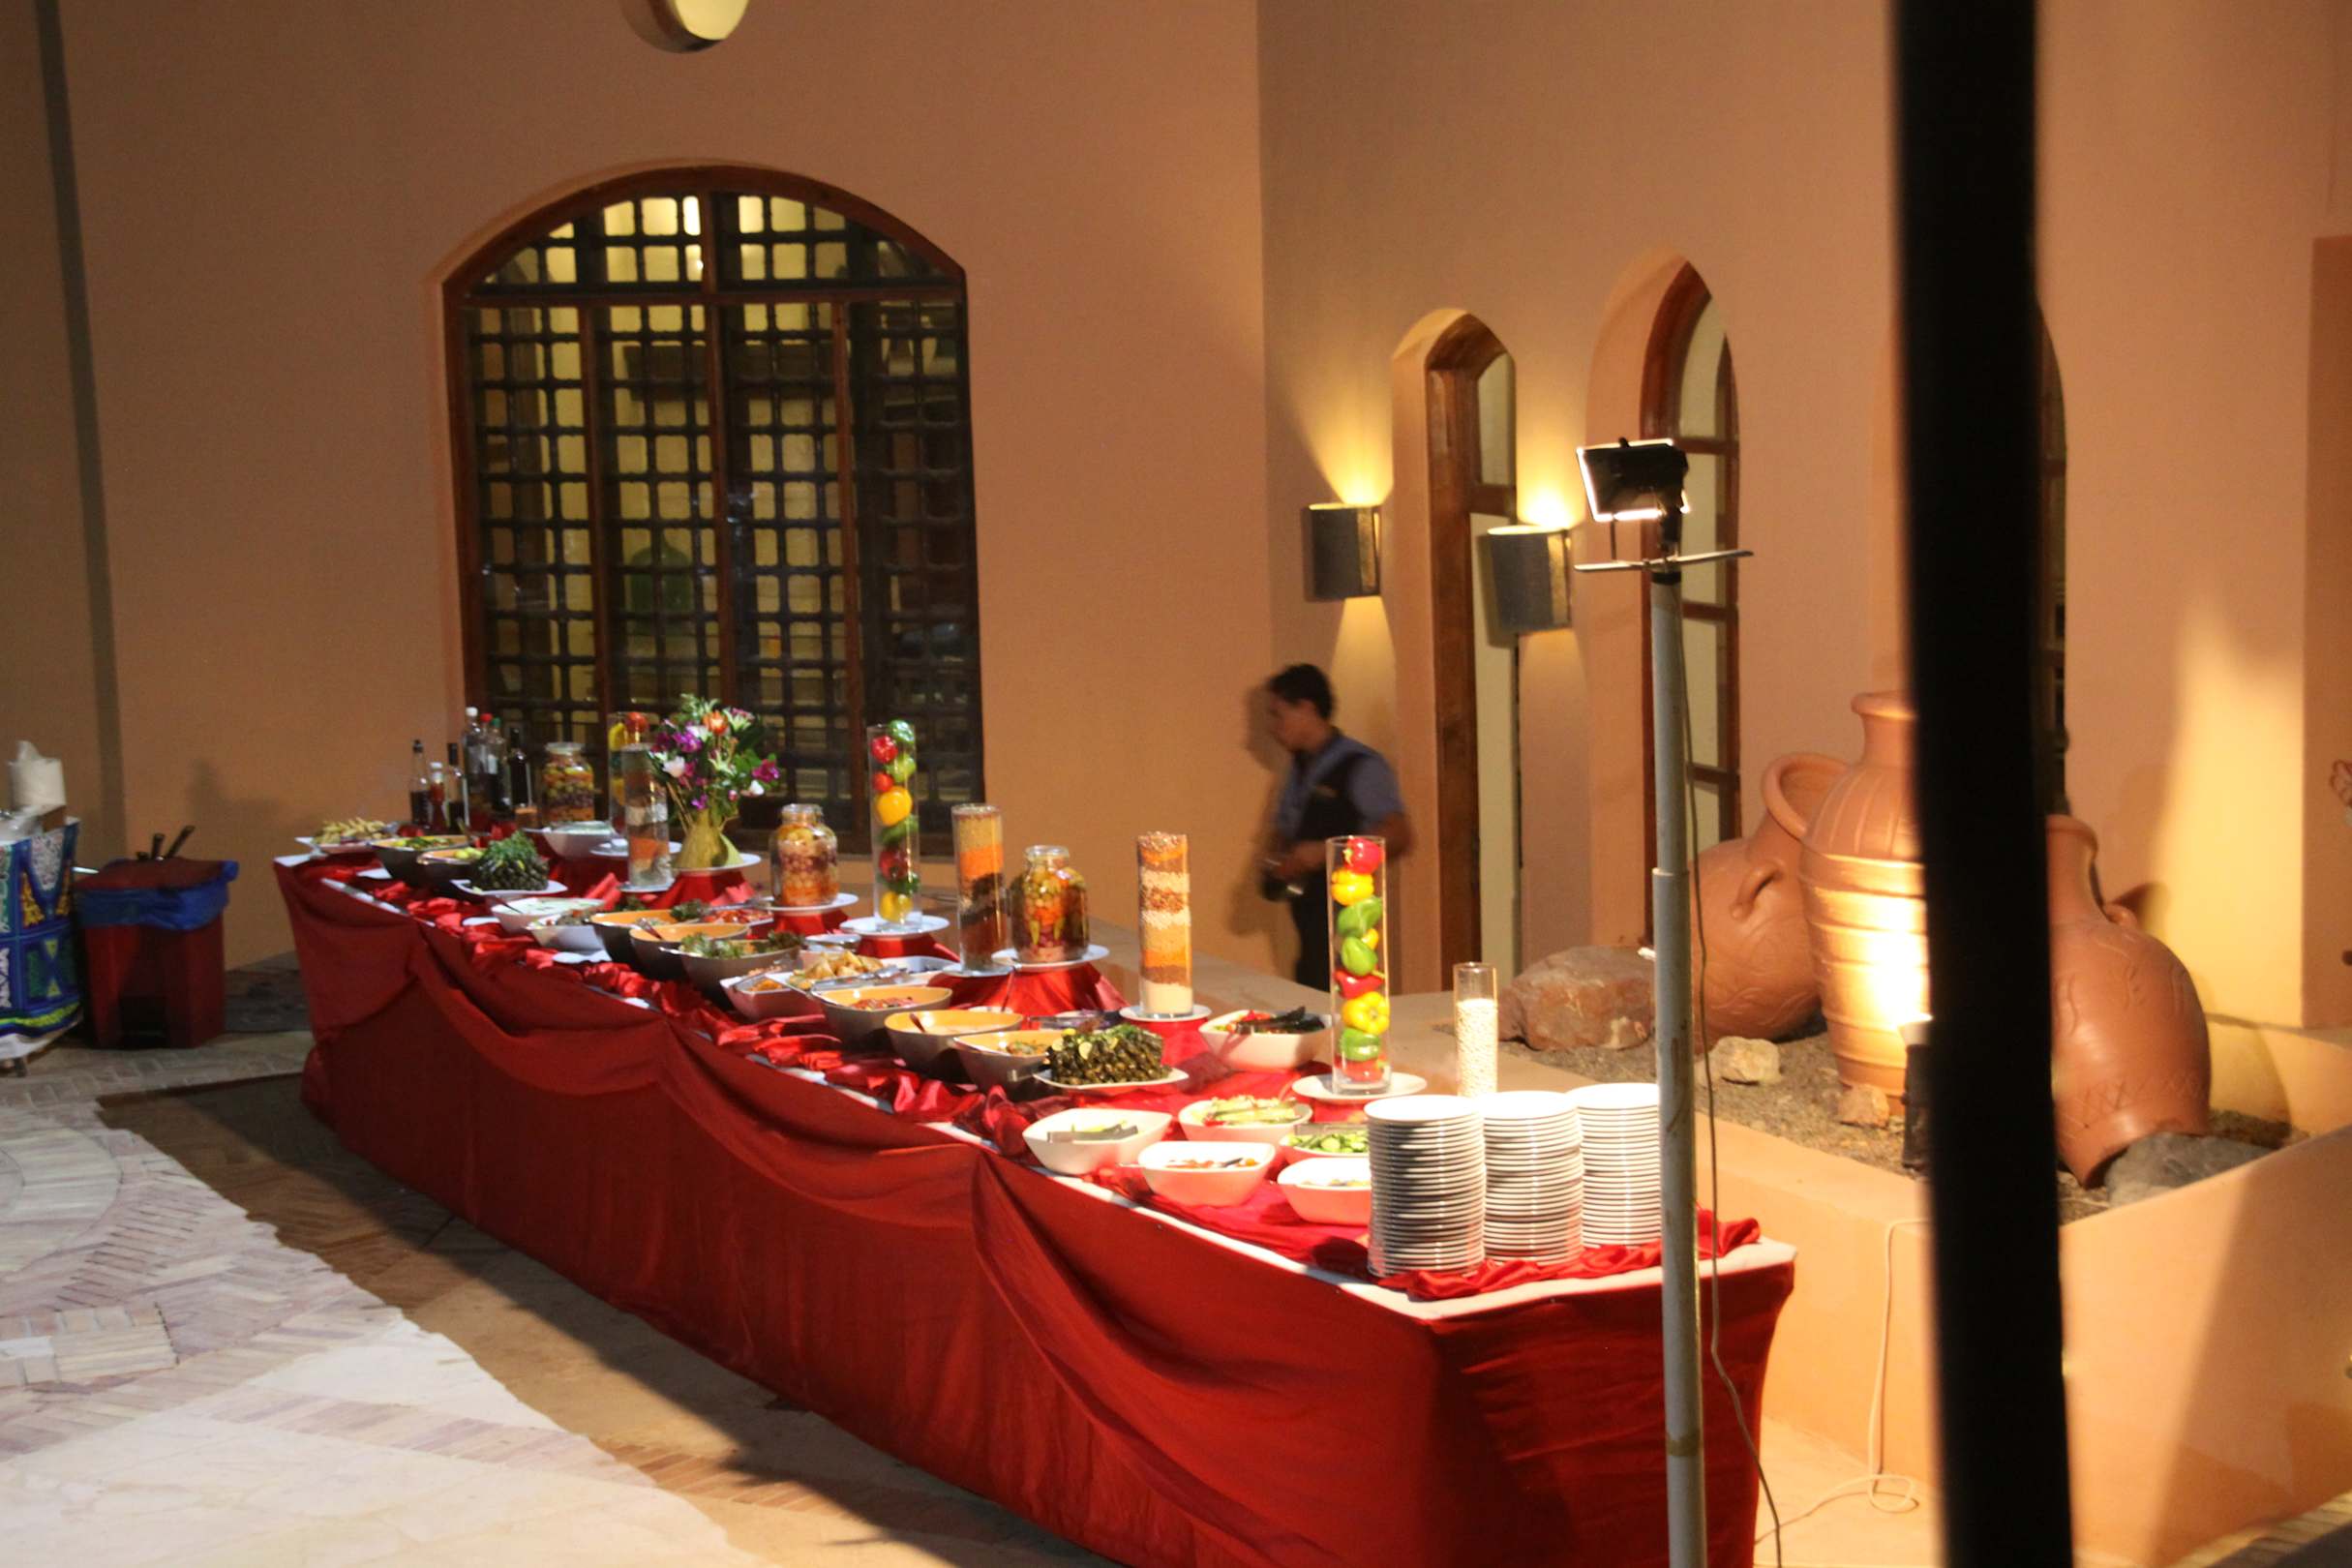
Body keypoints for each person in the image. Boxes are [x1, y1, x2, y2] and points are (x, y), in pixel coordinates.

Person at [1258, 665, 1413, 988]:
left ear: (1306, 708)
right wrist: (1278, 859)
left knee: (1348, 1005)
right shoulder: (1299, 766)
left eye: (1278, 715)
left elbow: (1399, 835)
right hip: (1310, 933)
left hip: (1349, 929)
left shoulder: (1361, 765)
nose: (1272, 728)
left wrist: (1327, 852)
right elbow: (1286, 830)